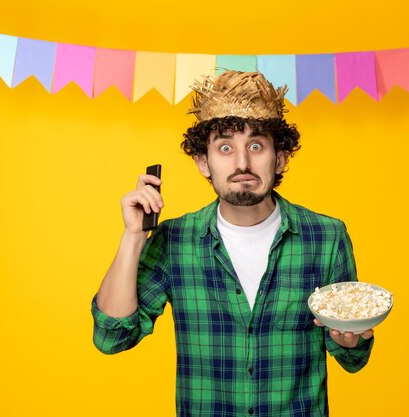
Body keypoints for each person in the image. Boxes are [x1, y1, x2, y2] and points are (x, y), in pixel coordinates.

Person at [91, 70, 375, 417]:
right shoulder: (174, 240)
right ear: (202, 162)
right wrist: (133, 236)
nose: (242, 163)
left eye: (256, 146)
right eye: (225, 147)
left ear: (280, 157)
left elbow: (354, 357)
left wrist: (348, 338)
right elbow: (111, 337)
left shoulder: (326, 237)